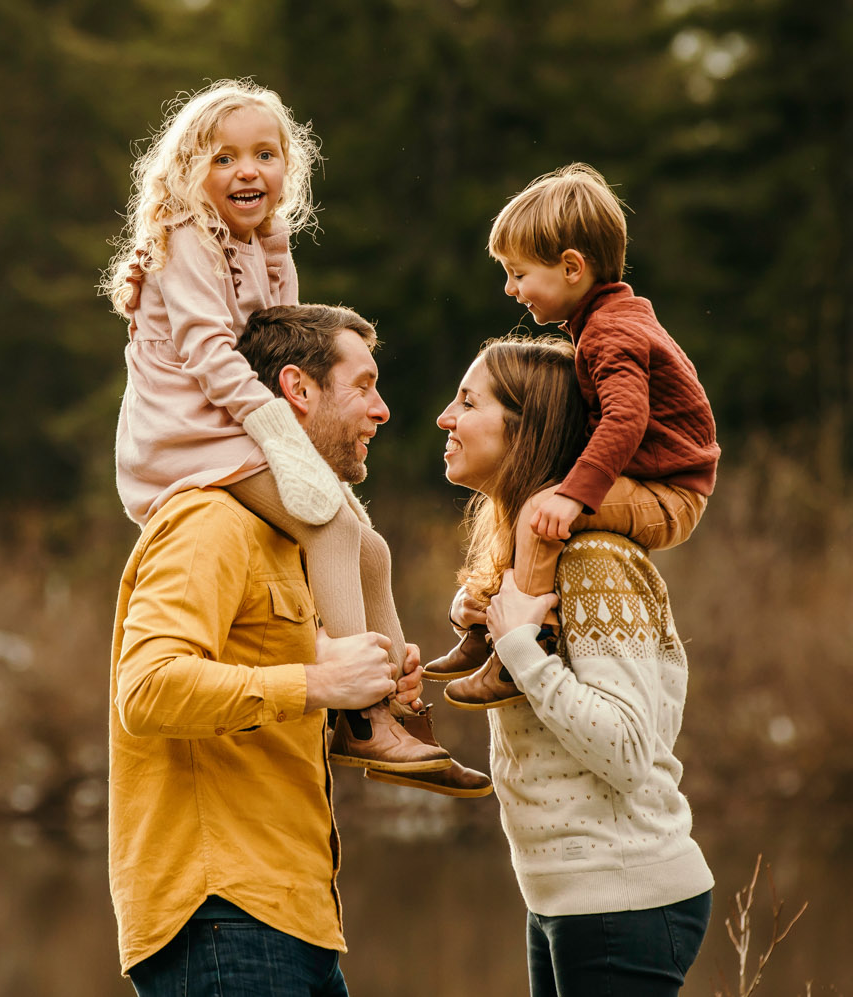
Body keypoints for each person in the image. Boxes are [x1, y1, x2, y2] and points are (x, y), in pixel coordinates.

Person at [105, 79, 450, 771]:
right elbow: (209, 353)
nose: (246, 170)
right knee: (330, 522)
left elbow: (280, 345)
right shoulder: (184, 237)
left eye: (264, 154)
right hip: (188, 438)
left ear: (287, 169)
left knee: (370, 547)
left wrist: (275, 255)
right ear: (187, 172)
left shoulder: (266, 241)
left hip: (237, 425)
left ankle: (405, 711)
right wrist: (283, 437)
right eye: (224, 157)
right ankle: (362, 718)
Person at [107, 303, 446, 995]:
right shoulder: (211, 520)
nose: (382, 410)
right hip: (222, 913)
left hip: (293, 917)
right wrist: (317, 684)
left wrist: (354, 688)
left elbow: (252, 699)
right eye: (365, 385)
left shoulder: (289, 539)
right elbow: (145, 689)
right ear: (297, 389)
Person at [434, 334, 716, 997]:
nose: (446, 417)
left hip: (624, 893)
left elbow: (625, 749)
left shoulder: (595, 562)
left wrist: (522, 652)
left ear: (526, 428)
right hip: (566, 896)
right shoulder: (538, 562)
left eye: (468, 402)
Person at [428, 164, 720, 709]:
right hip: (647, 480)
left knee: (545, 508)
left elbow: (625, 420)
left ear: (570, 267)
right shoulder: (599, 323)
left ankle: (522, 648)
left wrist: (573, 493)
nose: (511, 289)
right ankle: (482, 629)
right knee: (536, 513)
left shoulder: (612, 331)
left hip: (670, 492)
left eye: (518, 274)